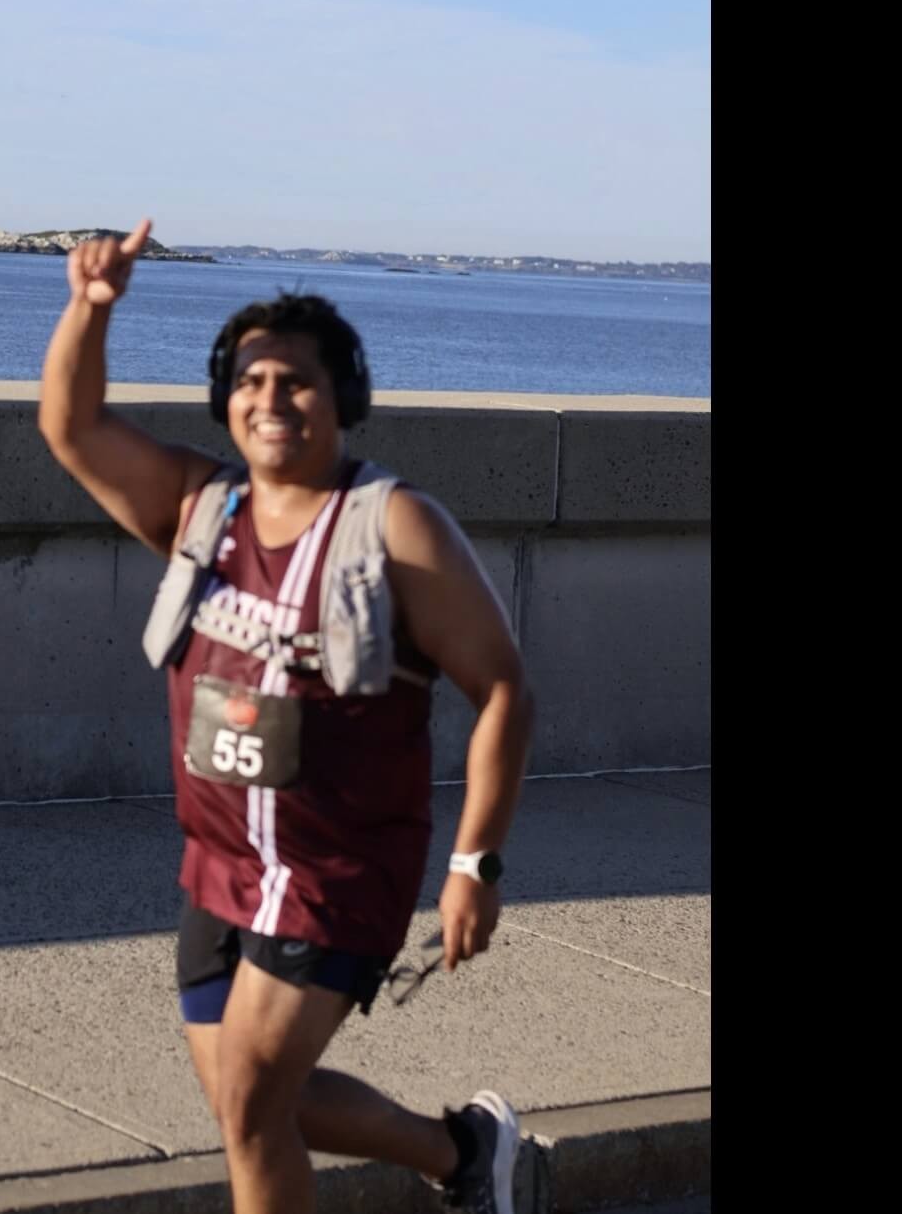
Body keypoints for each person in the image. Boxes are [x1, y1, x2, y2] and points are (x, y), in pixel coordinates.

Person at [38, 219, 535, 1214]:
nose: (270, 399)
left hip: (337, 873)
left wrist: (474, 865)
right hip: (220, 864)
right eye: (250, 380)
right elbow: (73, 428)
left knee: (254, 1104)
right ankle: (465, 1155)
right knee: (255, 1105)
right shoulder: (201, 507)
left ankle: (464, 1158)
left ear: (343, 397)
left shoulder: (394, 526)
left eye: (296, 381)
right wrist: (90, 311)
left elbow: (504, 691)